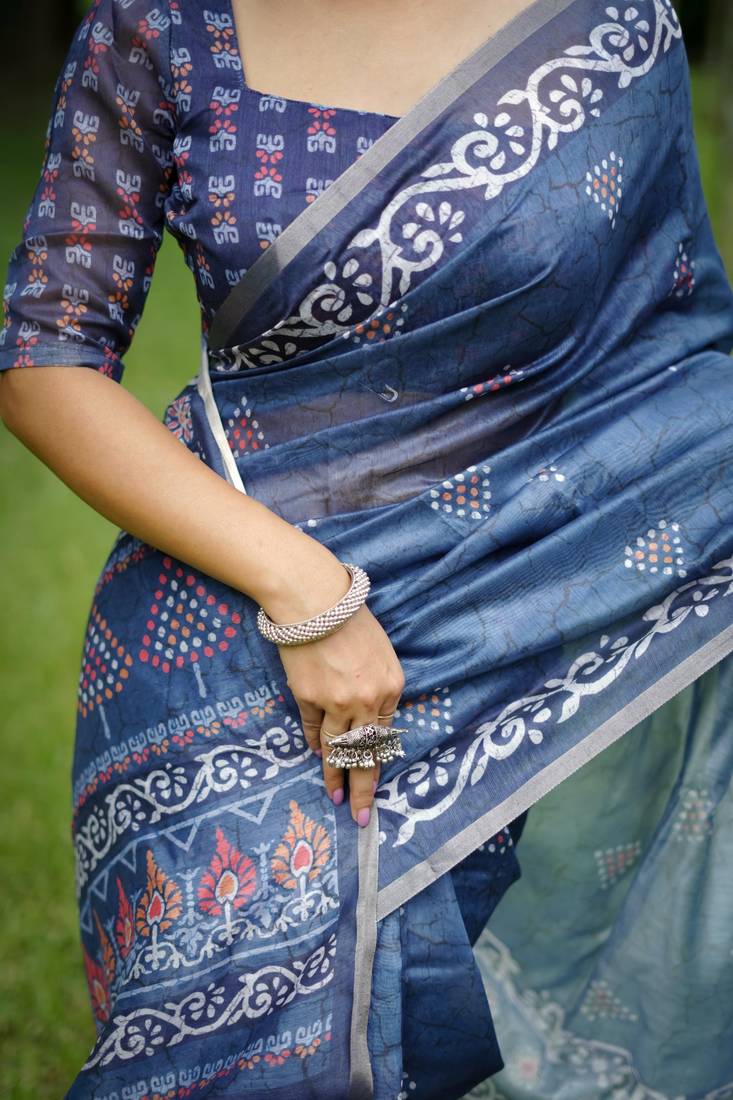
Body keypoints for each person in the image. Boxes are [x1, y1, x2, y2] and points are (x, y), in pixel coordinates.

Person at [0, 0, 731, 1097]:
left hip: (526, 616)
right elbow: (45, 359)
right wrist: (307, 591)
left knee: (454, 1035)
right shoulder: (161, 24)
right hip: (230, 640)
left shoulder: (609, 28)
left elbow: (671, 345)